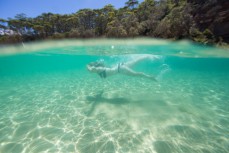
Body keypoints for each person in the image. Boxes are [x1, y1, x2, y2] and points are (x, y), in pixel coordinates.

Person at [86, 55, 158, 81]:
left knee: (136, 74)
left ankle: (150, 77)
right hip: (120, 66)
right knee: (136, 61)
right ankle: (148, 56)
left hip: (120, 69)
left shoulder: (98, 69)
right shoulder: (101, 69)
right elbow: (93, 69)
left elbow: (92, 69)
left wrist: (88, 67)